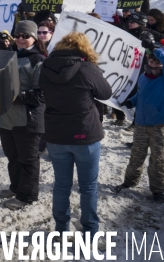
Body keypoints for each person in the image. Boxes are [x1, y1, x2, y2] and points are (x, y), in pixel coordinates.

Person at [39, 32, 112, 237]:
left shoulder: (45, 67)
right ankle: (90, 230)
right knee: (88, 187)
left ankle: (61, 229)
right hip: (84, 133)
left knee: (62, 185)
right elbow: (105, 93)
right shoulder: (87, 68)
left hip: (56, 135)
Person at [116, 35, 164, 203]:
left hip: (159, 125)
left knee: (158, 159)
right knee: (136, 156)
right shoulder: (143, 77)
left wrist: (155, 48)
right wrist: (130, 101)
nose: (154, 64)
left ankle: (158, 190)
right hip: (141, 124)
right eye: (151, 61)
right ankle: (129, 182)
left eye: (158, 62)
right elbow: (140, 95)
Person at [0, 21, 47, 210]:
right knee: (12, 155)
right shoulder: (9, 56)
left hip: (28, 117)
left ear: (34, 38)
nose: (20, 39)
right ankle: (16, 187)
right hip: (7, 117)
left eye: (25, 36)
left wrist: (16, 97)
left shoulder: (38, 60)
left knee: (28, 158)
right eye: (17, 35)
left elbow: (41, 94)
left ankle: (27, 195)